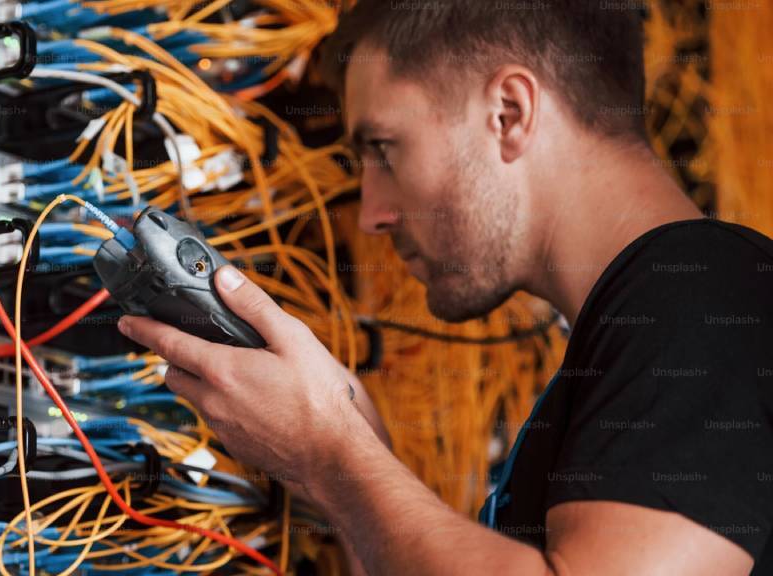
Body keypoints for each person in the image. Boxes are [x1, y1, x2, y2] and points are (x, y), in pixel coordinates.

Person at [117, 1, 773, 574]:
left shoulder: (709, 298)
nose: (372, 212)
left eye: (383, 147)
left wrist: (332, 454)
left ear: (509, 113)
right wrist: (357, 453)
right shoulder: (653, 324)